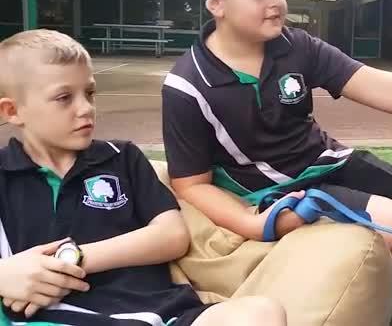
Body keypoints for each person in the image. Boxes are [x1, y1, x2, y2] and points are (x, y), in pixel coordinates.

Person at [161, 0, 392, 265]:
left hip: (328, 160)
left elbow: (379, 86)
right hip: (279, 190)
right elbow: (191, 185)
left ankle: (353, 241)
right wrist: (251, 224)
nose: (276, 1)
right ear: (216, 4)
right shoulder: (186, 85)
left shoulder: (298, 46)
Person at [0, 29, 287, 326]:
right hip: (58, 318)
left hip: (161, 315)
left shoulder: (121, 157)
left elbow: (172, 236)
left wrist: (71, 259)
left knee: (260, 312)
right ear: (13, 111)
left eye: (89, 93)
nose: (85, 108)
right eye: (63, 98)